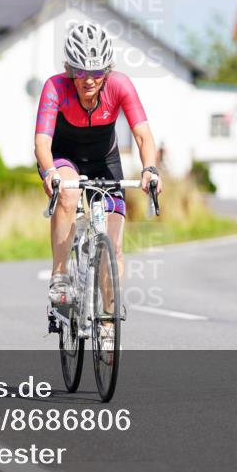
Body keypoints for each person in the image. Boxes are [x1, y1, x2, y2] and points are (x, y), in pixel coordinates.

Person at [34, 21, 163, 344]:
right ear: (69, 69)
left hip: (106, 162)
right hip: (63, 159)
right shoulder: (55, 87)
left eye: (97, 72)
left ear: (108, 70)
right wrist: (50, 173)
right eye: (80, 72)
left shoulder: (120, 86)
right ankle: (61, 275)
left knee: (113, 245)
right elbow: (41, 143)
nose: (89, 80)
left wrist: (150, 169)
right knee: (70, 189)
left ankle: (107, 318)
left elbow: (143, 134)